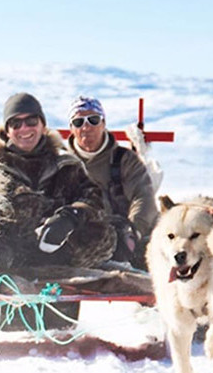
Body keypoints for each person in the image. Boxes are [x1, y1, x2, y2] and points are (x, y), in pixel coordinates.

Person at [0, 92, 116, 275]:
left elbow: (95, 199)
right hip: (10, 258)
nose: (24, 129)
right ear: (7, 130)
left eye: (31, 122)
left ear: (43, 125)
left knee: (102, 234)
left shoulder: (65, 164)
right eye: (16, 124)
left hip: (60, 254)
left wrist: (70, 217)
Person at [63, 96, 157, 267]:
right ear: (71, 128)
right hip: (76, 238)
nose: (86, 127)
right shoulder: (61, 162)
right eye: (78, 122)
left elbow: (143, 196)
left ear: (103, 123)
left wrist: (134, 230)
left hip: (122, 237)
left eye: (93, 120)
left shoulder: (125, 160)